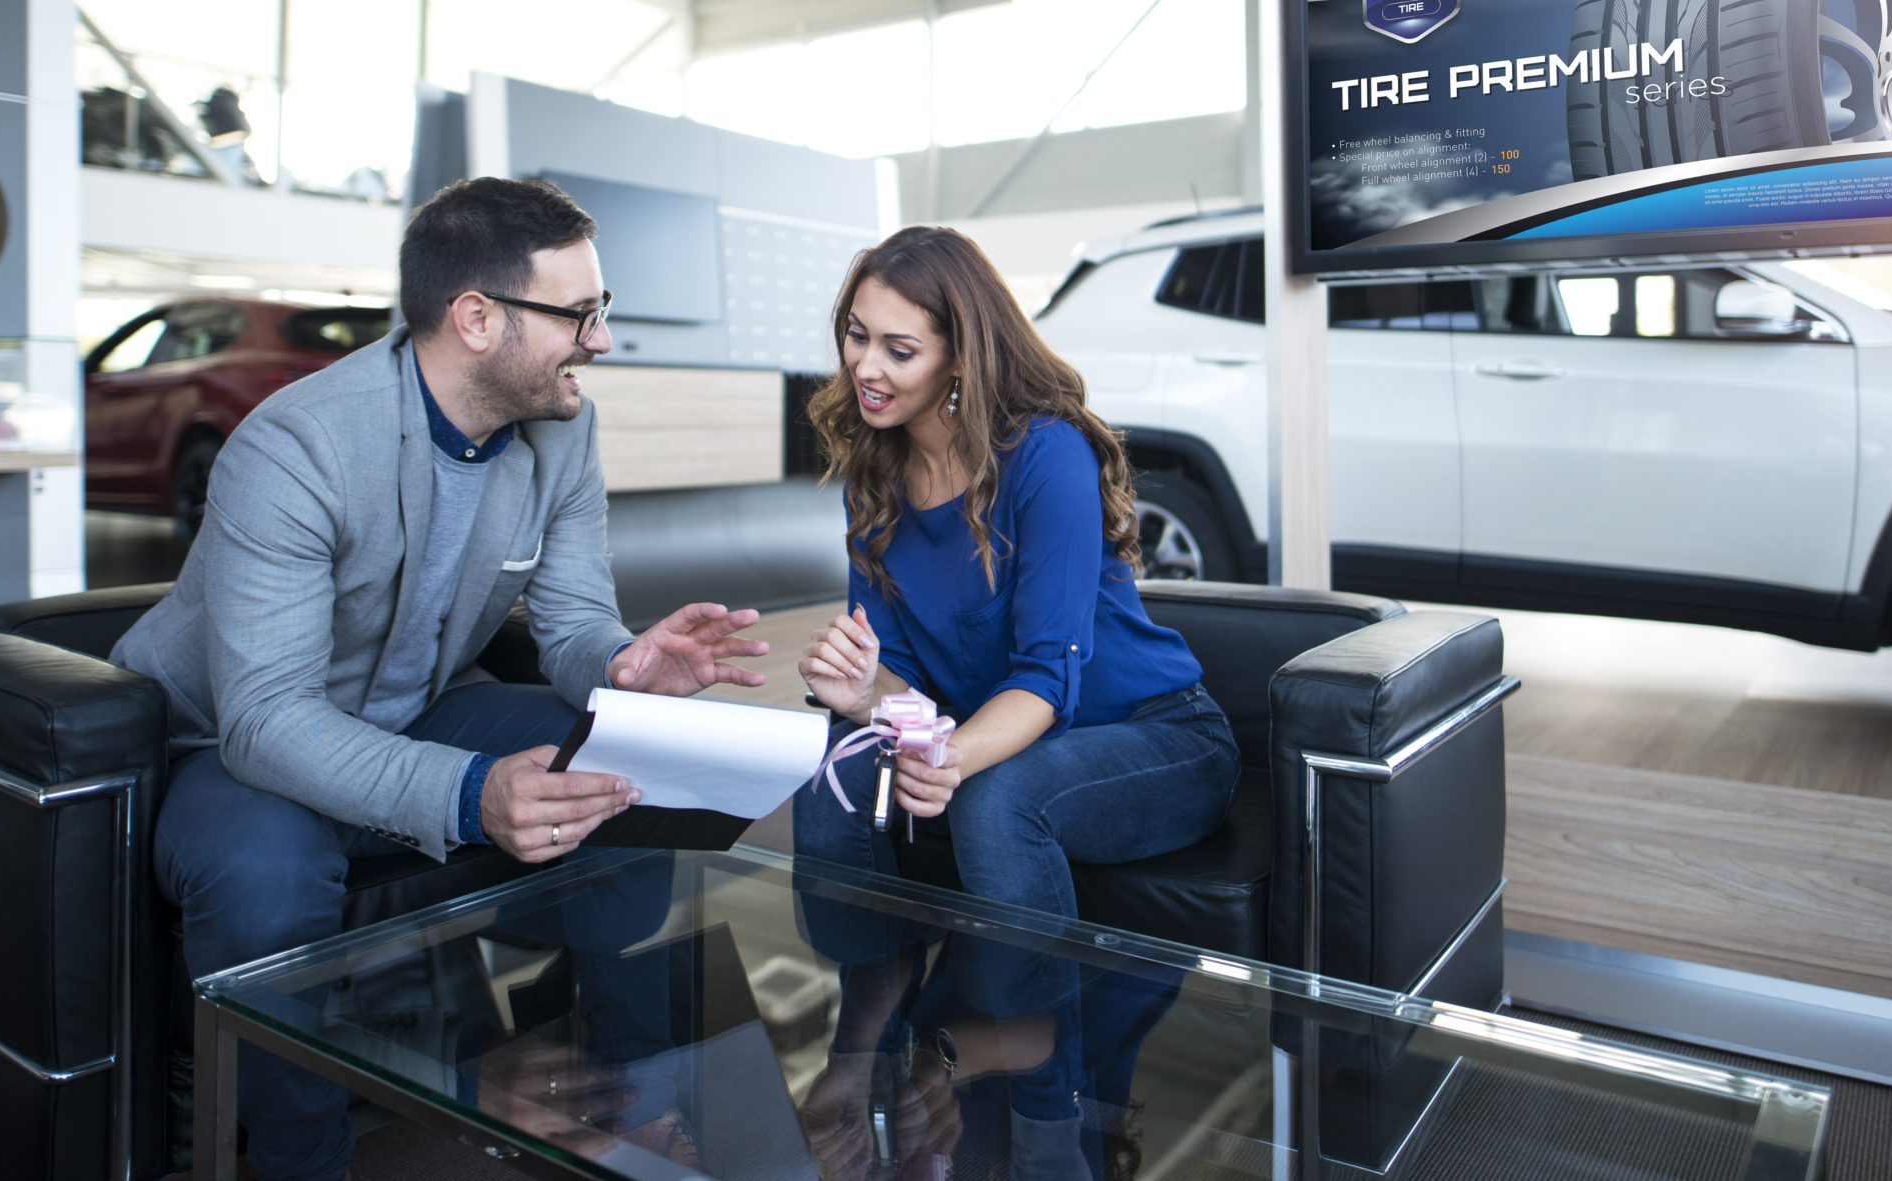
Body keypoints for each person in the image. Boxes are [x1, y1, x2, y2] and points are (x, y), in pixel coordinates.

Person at [110, 175, 770, 1181]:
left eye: (603, 311)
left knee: (625, 768)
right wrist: (472, 792)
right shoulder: (296, 448)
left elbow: (572, 618)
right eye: (579, 313)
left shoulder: (565, 426)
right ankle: (299, 1159)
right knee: (264, 873)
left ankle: (630, 1107)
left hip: (416, 702)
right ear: (476, 318)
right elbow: (265, 717)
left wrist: (624, 663)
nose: (600, 338)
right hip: (231, 740)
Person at [789, 225, 1238, 1169]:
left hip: (1156, 737)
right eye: (854, 334)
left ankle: (1047, 1108)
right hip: (1007, 734)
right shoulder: (874, 471)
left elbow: (1047, 678)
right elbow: (906, 681)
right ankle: (862, 1025)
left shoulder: (1046, 454)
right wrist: (864, 690)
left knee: (1000, 796)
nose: (865, 367)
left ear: (961, 353)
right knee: (829, 759)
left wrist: (944, 753)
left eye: (899, 349)